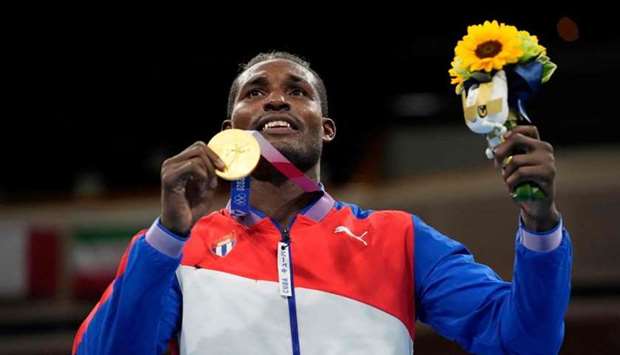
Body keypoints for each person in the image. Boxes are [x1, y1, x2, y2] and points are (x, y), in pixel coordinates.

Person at [72, 52, 572, 355]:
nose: (276, 100)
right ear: (229, 134)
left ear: (325, 129)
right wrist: (166, 237)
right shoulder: (177, 251)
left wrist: (540, 222)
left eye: (297, 92)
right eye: (255, 91)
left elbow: (524, 342)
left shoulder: (397, 238)